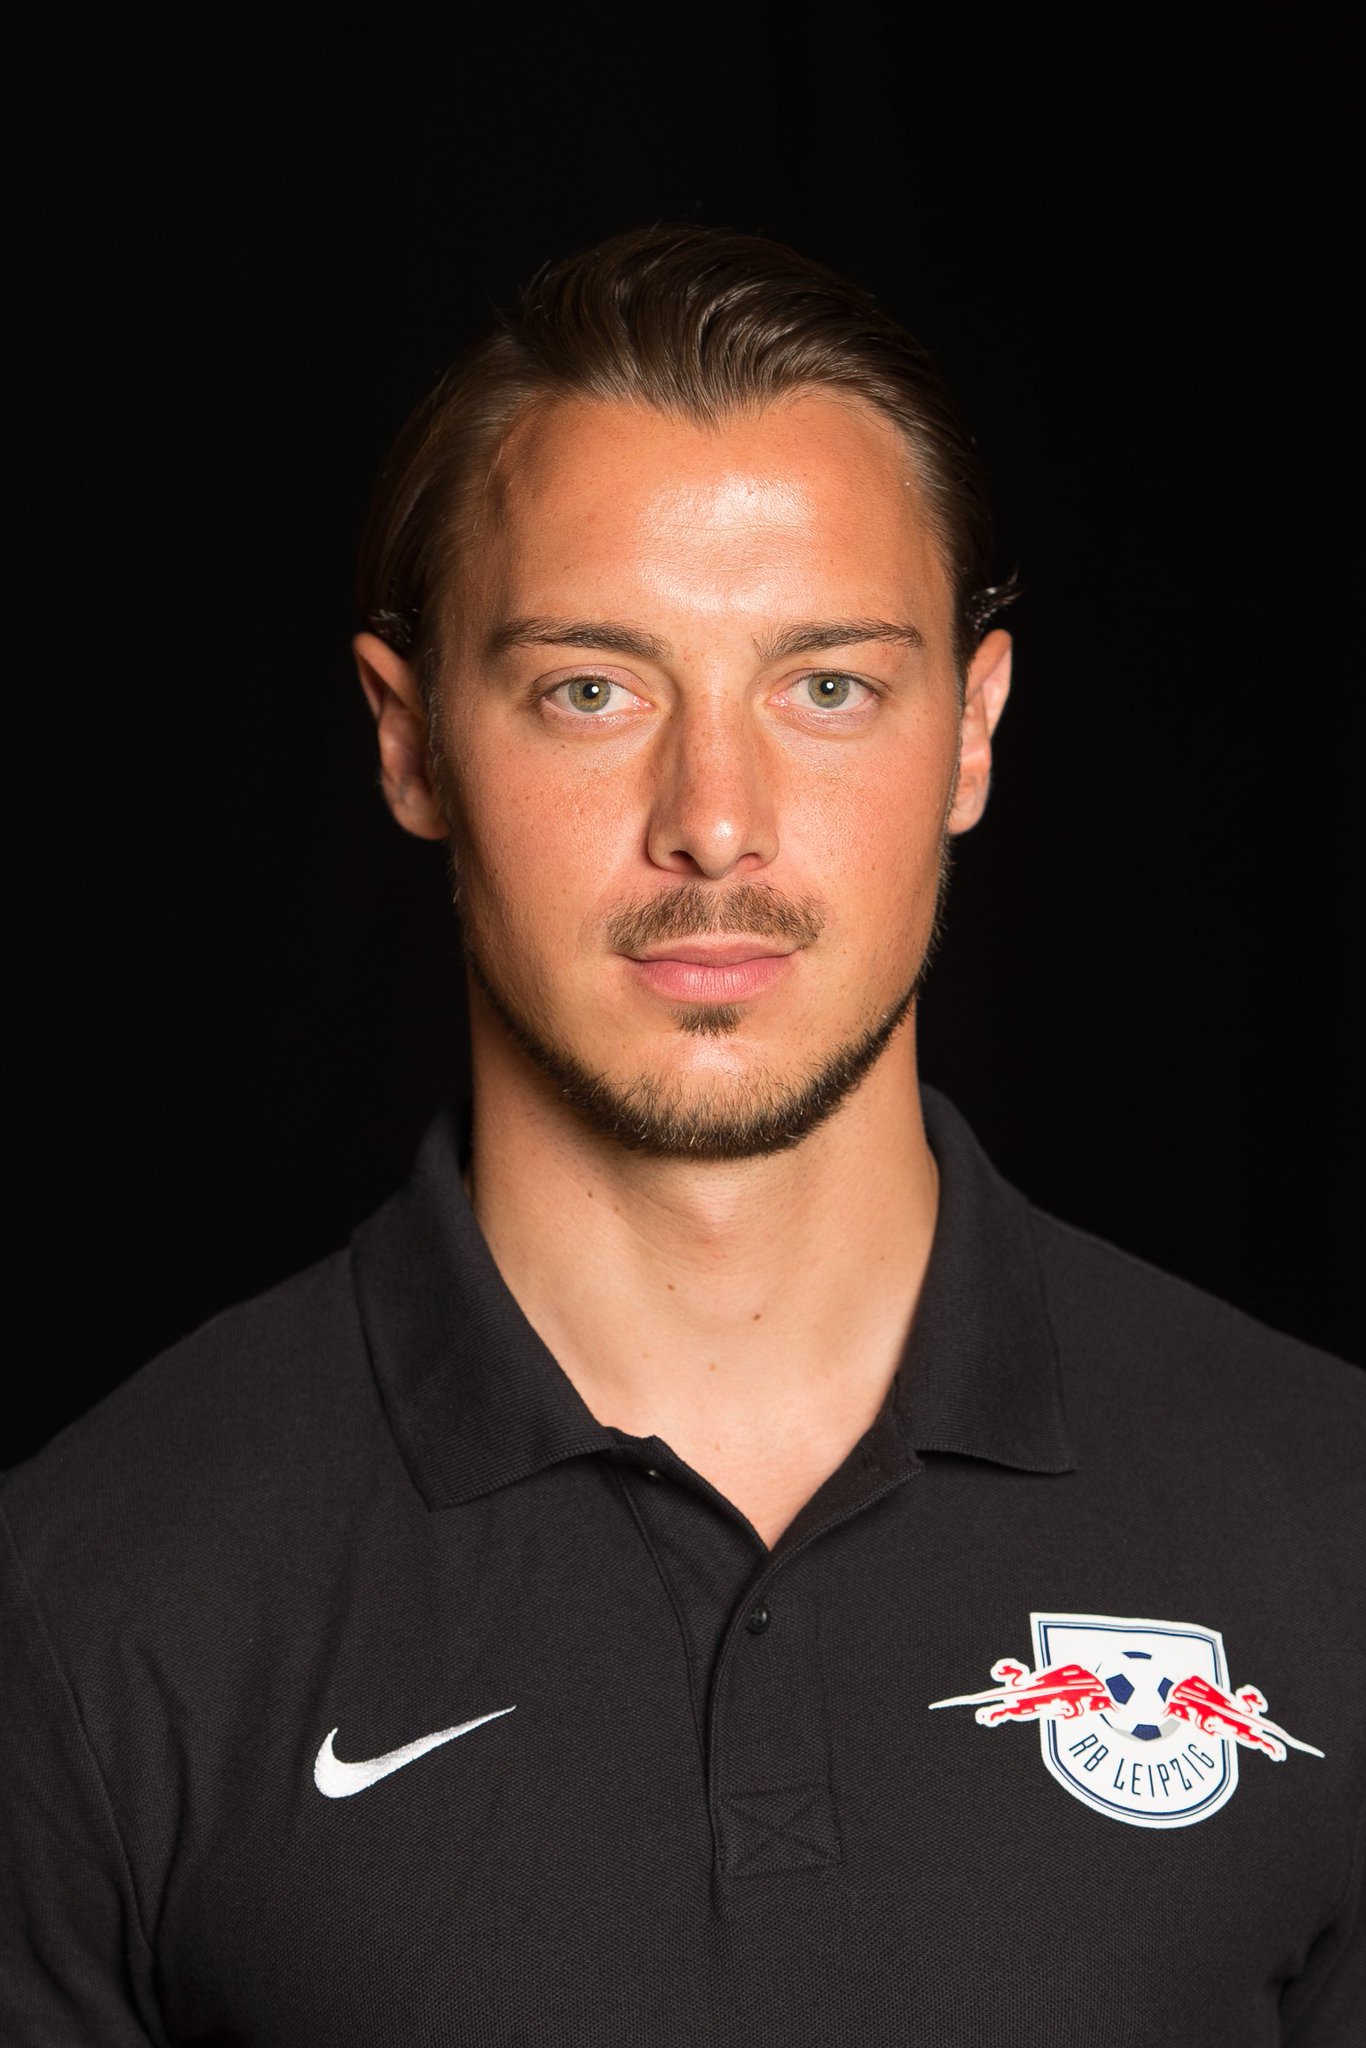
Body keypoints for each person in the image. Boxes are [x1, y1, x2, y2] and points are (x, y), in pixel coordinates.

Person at [3, 227, 1361, 2047]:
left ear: (972, 731)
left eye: (826, 686)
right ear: (410, 743)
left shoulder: (1329, 1520)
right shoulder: (84, 1602)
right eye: (592, 688)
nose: (714, 822)